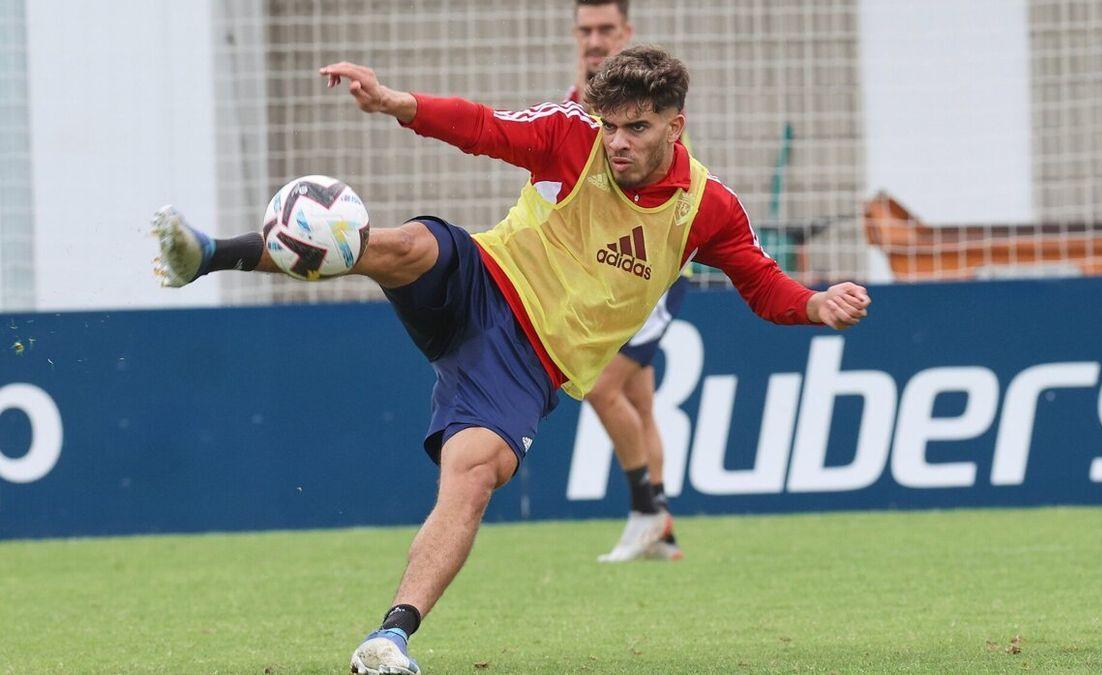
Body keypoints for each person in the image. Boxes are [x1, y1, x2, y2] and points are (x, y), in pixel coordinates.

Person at [152, 46, 870, 675]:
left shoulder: (706, 208)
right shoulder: (570, 136)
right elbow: (485, 128)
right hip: (482, 277)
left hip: (526, 362)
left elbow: (760, 282)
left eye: (637, 128)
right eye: (611, 124)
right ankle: (207, 255)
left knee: (473, 474)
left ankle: (388, 638)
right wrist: (395, 102)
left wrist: (811, 304)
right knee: (399, 245)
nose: (617, 142)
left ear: (674, 126)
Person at [567, 0, 690, 562]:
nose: (595, 39)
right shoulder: (578, 104)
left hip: (653, 271)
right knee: (638, 400)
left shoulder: (647, 99)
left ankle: (644, 511)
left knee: (598, 385)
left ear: (626, 32)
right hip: (607, 271)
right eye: (586, 29)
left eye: (605, 30)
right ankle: (659, 530)